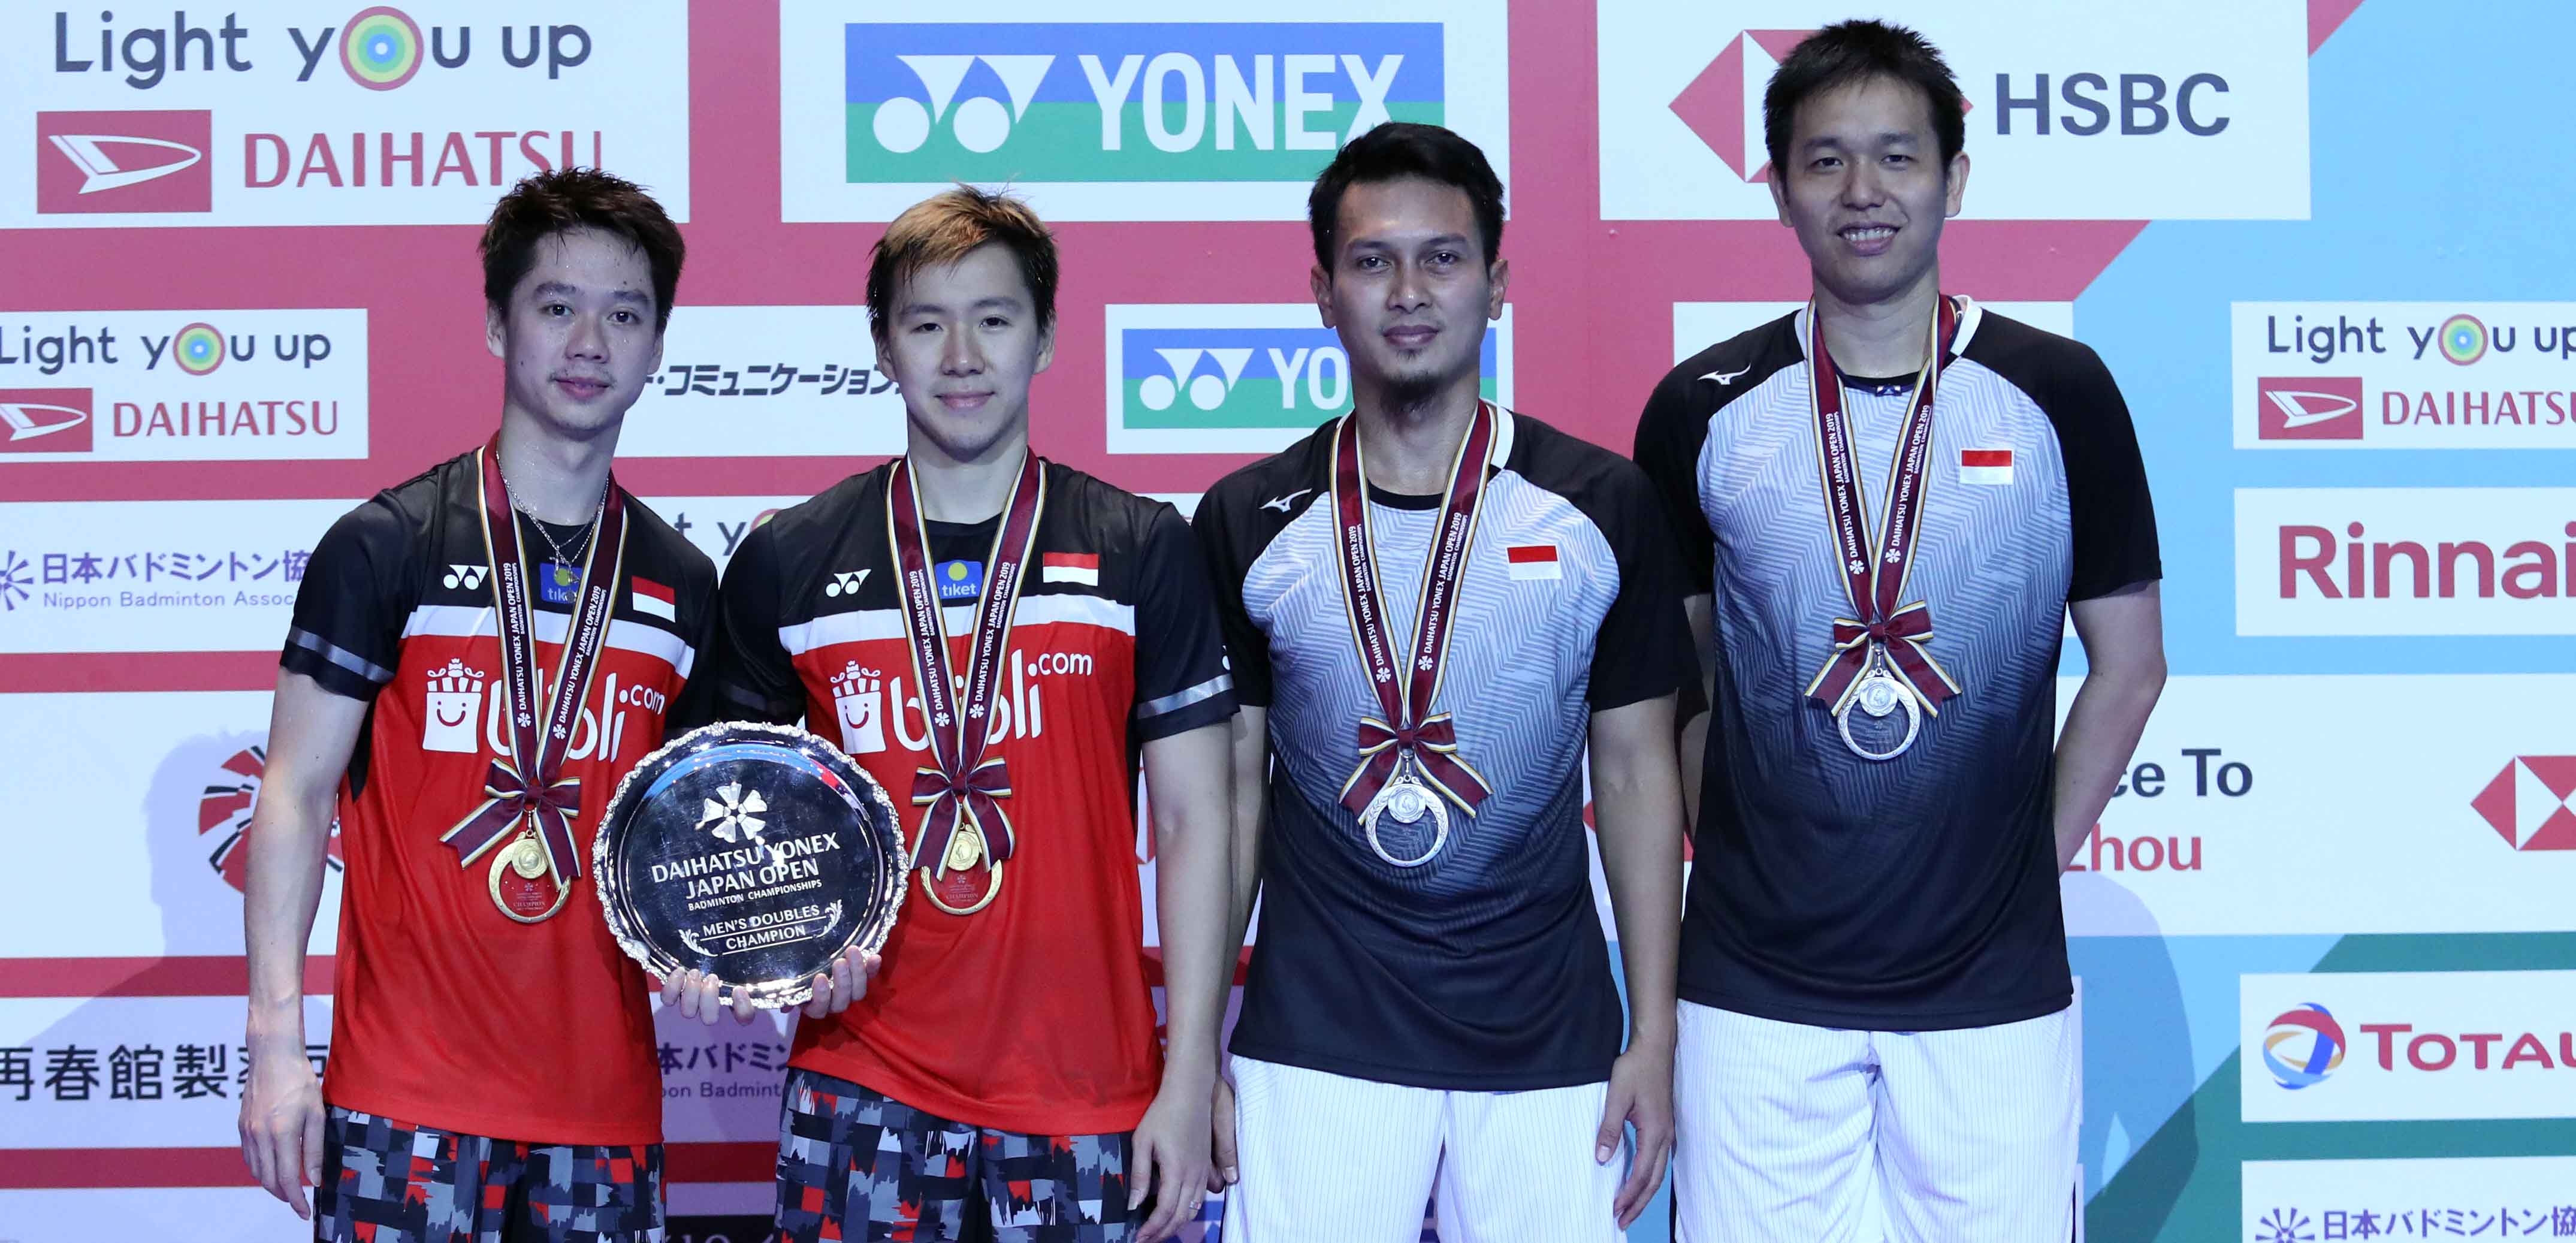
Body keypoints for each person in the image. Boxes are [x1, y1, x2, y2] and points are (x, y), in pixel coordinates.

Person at [235, 167, 863, 1242]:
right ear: (497, 323)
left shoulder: (680, 583)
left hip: (606, 1116)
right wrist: (276, 1047)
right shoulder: (389, 545)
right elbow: (292, 795)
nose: (590, 342)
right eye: (557, 306)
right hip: (405, 1105)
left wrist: (772, 941)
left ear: (657, 346)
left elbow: (699, 838)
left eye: (624, 315)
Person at [1632, 20, 2168, 1241]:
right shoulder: (1700, 407)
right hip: (1751, 989)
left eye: (1895, 158)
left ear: (1952, 179)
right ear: (1774, 187)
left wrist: (2019, 858)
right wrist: (1745, 849)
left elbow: (2127, 664)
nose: (1861, 194)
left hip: (1990, 987)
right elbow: (1676, 685)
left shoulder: (2057, 392)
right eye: (1823, 162)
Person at [694, 186, 1236, 1243]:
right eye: (926, 322)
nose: (962, 355)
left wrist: (1188, 1071)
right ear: (883, 348)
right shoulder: (789, 560)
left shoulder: (1136, 545)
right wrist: (772, 946)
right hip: (861, 1088)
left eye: (994, 319)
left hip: (1091, 1089)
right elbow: (734, 819)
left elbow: (1192, 824)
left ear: (1043, 339)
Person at [1193, 122, 1688, 1242]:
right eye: (1372, 261)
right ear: (1324, 291)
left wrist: (1650, 1036)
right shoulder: (1248, 517)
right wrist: (1198, 1050)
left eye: (1443, 257)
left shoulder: (1600, 504)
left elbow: (1638, 774)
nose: (1408, 290)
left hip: (1550, 1040)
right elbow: (1231, 797)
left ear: (1498, 283)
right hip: (1314, 1040)